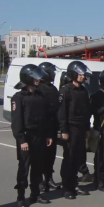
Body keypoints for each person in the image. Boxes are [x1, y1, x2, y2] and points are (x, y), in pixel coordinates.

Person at [11, 64, 52, 207]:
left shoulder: (40, 95)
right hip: (26, 138)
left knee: (38, 166)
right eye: (34, 76)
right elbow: (16, 122)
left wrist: (47, 135)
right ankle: (21, 196)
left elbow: (45, 117)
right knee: (24, 167)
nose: (38, 79)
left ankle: (36, 193)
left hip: (39, 136)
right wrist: (21, 140)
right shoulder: (19, 97)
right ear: (27, 77)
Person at [58, 61, 92, 199]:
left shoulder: (83, 91)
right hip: (70, 129)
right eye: (80, 74)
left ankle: (74, 184)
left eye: (84, 74)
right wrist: (64, 130)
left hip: (80, 128)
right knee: (69, 158)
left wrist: (87, 128)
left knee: (78, 158)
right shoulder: (66, 90)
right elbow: (62, 113)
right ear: (74, 74)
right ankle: (67, 187)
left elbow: (86, 112)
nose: (83, 76)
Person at [37, 62, 62, 192]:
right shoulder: (39, 89)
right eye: (52, 72)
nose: (54, 74)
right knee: (42, 155)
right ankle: (40, 181)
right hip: (42, 128)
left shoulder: (52, 89)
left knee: (51, 155)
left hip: (52, 127)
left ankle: (49, 178)